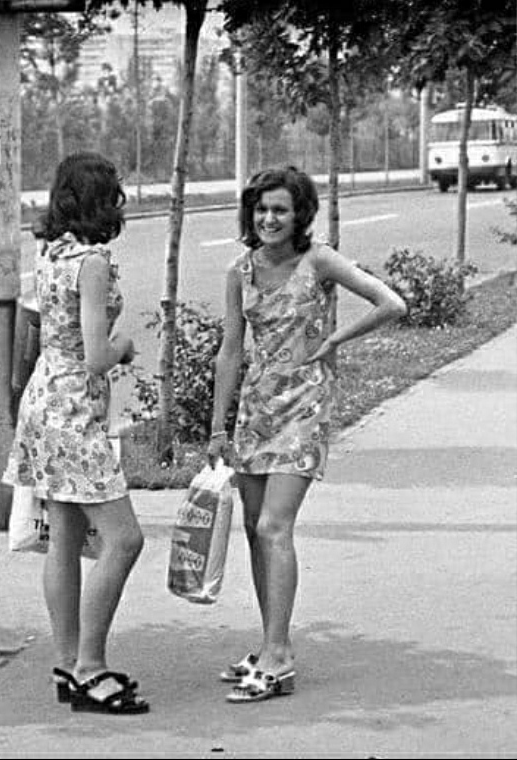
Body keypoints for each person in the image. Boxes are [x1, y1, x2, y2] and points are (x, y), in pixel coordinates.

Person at [207, 165, 406, 703]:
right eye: (262, 208)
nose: (269, 218)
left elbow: (391, 303)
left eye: (281, 209)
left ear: (300, 216)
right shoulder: (239, 271)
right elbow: (230, 351)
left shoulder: (318, 262)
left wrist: (332, 341)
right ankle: (272, 643)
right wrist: (215, 428)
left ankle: (277, 659)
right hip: (255, 410)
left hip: (304, 410)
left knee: (275, 526)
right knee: (253, 528)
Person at [2, 152, 148, 715]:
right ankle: (90, 666)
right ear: (102, 202)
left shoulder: (51, 253)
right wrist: (125, 346)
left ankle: (68, 663)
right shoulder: (91, 262)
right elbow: (94, 356)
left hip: (44, 401)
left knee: (63, 537)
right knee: (124, 539)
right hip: (73, 408)